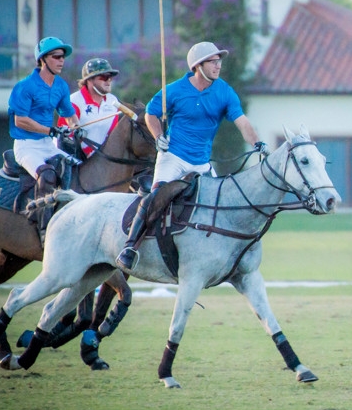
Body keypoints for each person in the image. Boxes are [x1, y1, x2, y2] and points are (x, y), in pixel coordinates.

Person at [115, 41, 268, 270]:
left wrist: (258, 143)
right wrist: (158, 136)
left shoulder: (224, 91)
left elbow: (243, 122)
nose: (218, 65)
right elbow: (150, 114)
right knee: (155, 198)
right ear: (198, 66)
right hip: (173, 157)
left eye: (219, 61)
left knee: (220, 205)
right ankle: (129, 248)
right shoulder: (175, 90)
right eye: (213, 61)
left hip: (202, 162)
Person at [8, 36, 79, 235]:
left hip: (47, 144)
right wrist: (49, 130)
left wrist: (76, 127)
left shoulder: (61, 86)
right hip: (26, 146)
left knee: (75, 168)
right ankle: (44, 228)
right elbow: (20, 120)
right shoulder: (25, 86)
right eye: (56, 56)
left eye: (62, 57)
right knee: (47, 175)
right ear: (42, 59)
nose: (61, 61)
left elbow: (69, 114)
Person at [56, 57, 121, 159]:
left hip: (104, 159)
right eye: (104, 77)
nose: (108, 81)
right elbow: (65, 139)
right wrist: (87, 154)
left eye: (110, 77)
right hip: (75, 159)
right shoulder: (73, 102)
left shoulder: (113, 101)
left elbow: (113, 136)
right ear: (89, 80)